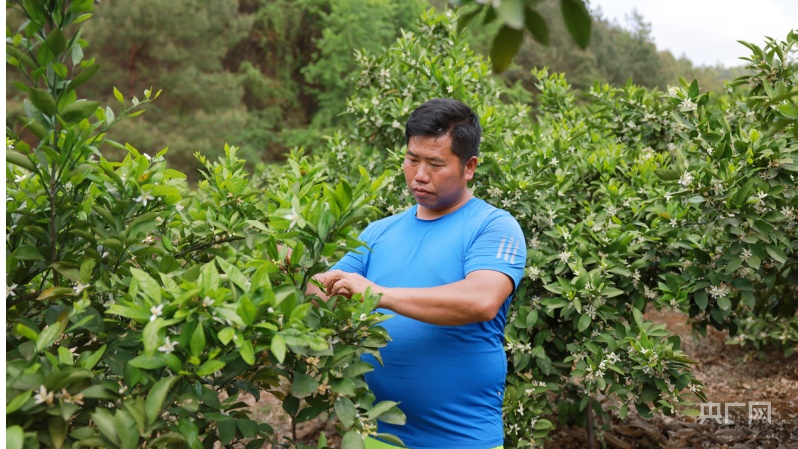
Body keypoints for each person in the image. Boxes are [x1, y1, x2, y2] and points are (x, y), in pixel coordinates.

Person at [313, 98, 526, 449]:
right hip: (375, 437)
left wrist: (376, 293)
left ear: (469, 167)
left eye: (435, 163)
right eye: (412, 159)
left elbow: (481, 300)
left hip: (463, 439)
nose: (420, 175)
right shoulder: (379, 232)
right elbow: (326, 291)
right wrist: (291, 273)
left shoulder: (493, 226)